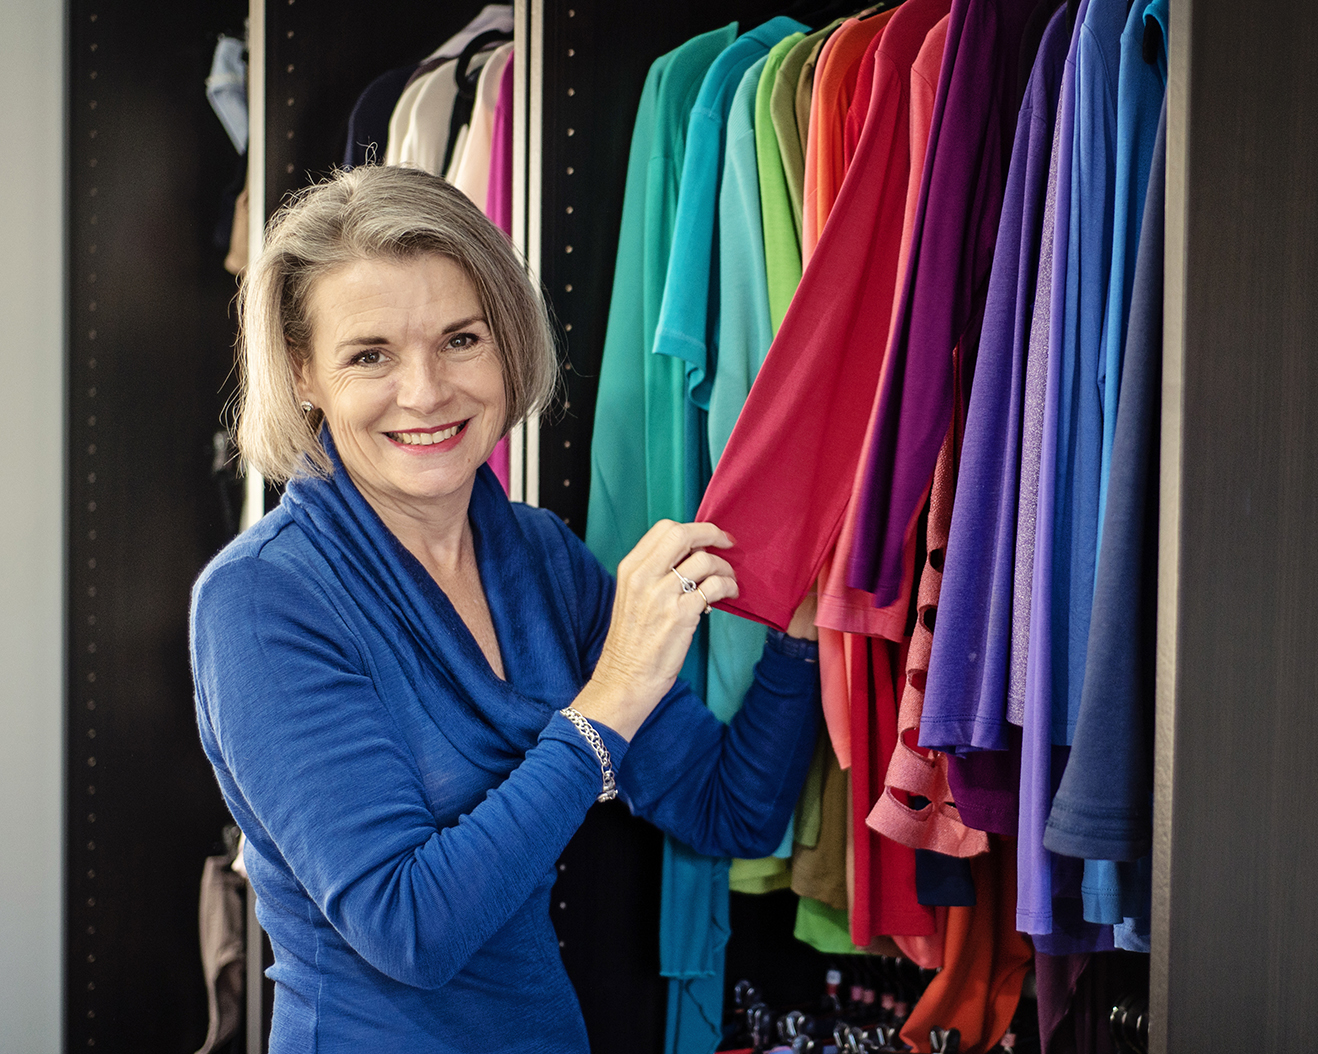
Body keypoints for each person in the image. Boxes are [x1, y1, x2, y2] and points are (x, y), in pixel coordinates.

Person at [190, 164, 822, 1053]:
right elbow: (412, 929)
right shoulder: (262, 600)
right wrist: (610, 701)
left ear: (507, 342)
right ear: (303, 373)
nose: (426, 392)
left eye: (460, 339)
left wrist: (804, 635)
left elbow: (728, 810)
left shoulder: (539, 557)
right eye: (370, 355)